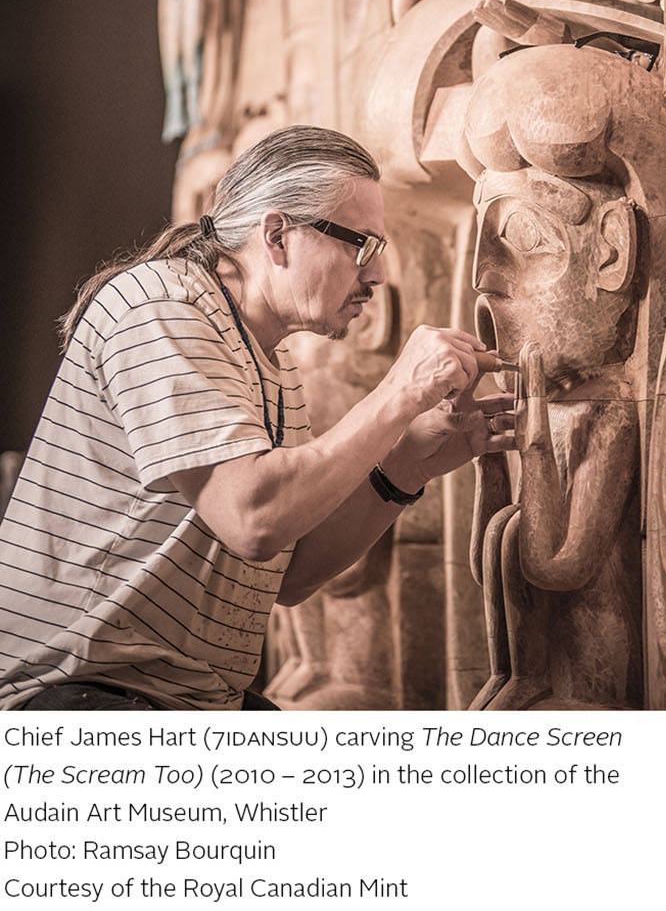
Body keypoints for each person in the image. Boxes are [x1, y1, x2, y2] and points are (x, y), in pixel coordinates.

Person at [0, 125, 514, 711]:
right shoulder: (157, 307)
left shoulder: (269, 361)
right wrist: (398, 393)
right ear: (277, 235)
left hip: (192, 699)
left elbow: (288, 575)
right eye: (362, 247)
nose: (375, 277)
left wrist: (401, 468)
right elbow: (253, 518)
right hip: (70, 699)